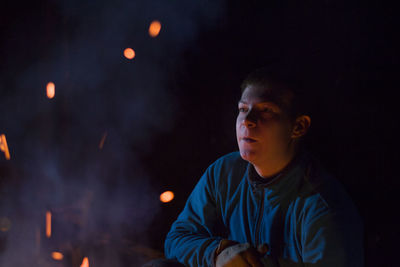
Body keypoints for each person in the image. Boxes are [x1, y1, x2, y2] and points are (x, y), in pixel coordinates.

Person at [152, 68, 364, 267]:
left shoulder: (323, 208)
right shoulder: (224, 173)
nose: (248, 121)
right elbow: (176, 239)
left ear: (298, 127)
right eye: (243, 109)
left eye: (266, 110)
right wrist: (218, 253)